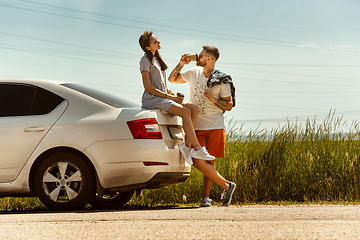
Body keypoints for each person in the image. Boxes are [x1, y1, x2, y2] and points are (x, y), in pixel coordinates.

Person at [168, 46, 236, 207]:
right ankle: (226, 185)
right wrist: (181, 64)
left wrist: (214, 100)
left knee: (209, 164)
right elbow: (172, 79)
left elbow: (229, 105)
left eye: (202, 55)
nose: (198, 57)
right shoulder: (193, 73)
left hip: (215, 125)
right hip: (196, 126)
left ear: (209, 59)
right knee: (197, 161)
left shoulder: (221, 80)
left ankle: (205, 198)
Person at [139, 31, 215, 162]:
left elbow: (161, 83)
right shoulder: (145, 60)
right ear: (148, 47)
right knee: (185, 112)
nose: (159, 42)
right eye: (155, 42)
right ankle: (197, 149)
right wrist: (169, 97)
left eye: (157, 40)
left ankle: (187, 146)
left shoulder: (157, 59)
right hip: (152, 99)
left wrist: (171, 94)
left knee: (193, 109)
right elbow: (148, 87)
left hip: (163, 97)